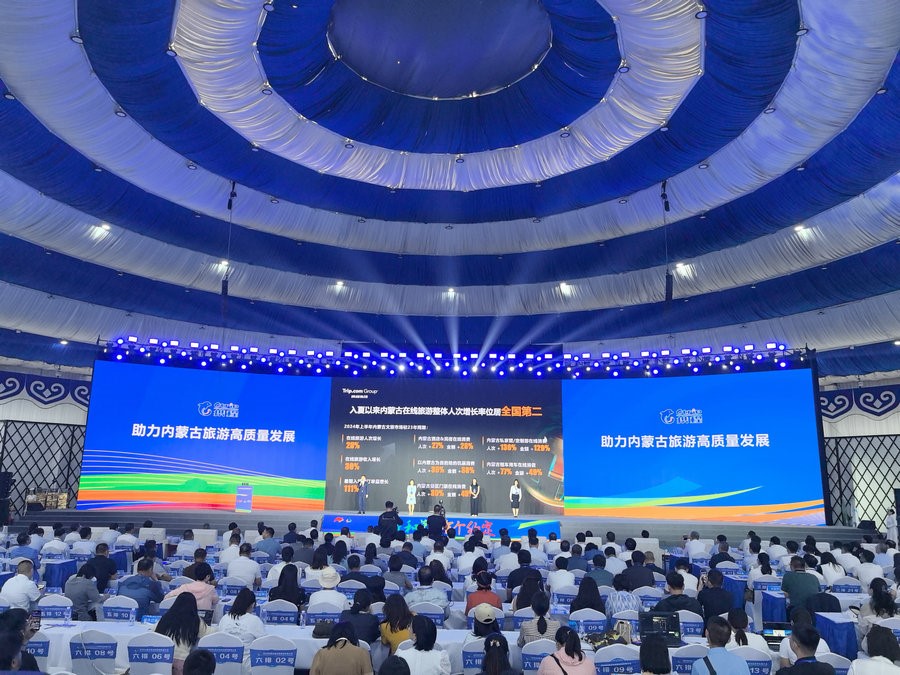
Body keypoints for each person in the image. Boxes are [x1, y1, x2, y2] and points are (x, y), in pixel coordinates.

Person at [156, 592, 210, 675]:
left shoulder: (166, 618)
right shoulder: (195, 621)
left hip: (163, 660)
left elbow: (153, 631)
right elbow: (208, 634)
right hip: (182, 663)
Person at [218, 588, 266, 671]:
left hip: (224, 665)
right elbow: (264, 643)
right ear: (252, 605)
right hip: (246, 667)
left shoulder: (224, 618)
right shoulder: (255, 620)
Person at [857, 577, 897, 642]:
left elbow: (862, 631)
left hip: (873, 644)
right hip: (895, 643)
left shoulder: (865, 608)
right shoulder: (894, 608)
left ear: (871, 590)